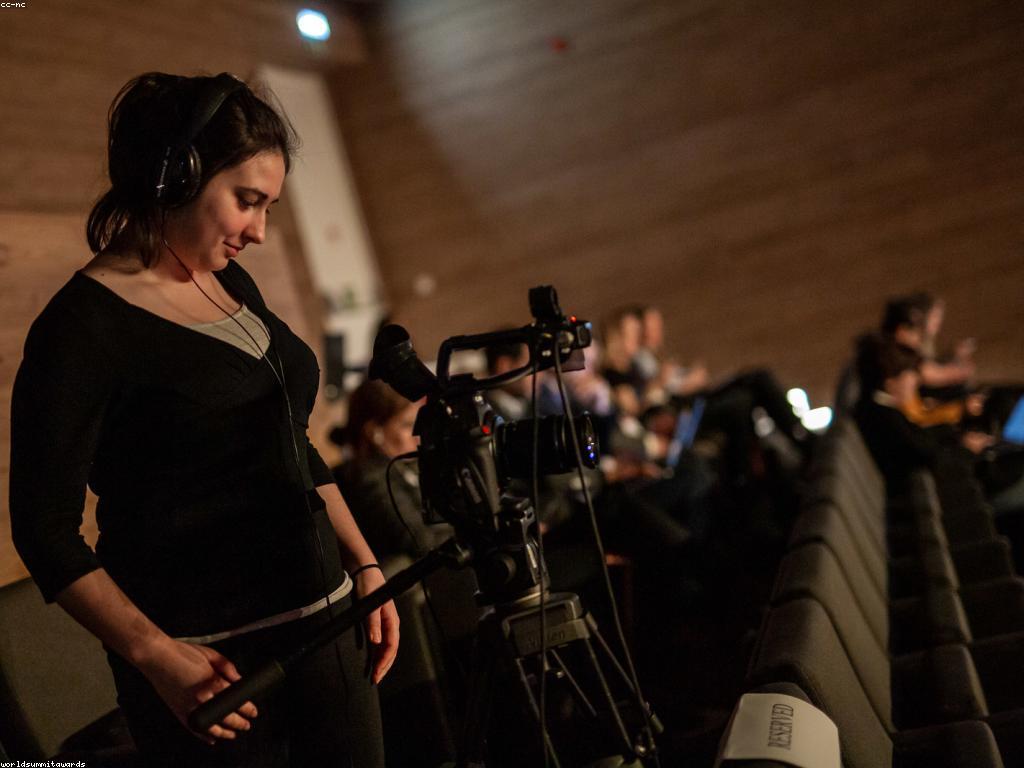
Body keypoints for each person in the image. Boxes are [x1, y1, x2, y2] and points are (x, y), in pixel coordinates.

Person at [8, 72, 397, 767]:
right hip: (211, 668)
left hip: (329, 622)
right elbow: (45, 532)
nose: (260, 231)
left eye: (269, 207)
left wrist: (363, 562)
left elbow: (289, 439)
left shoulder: (231, 282)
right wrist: (157, 656)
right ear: (176, 175)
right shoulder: (81, 329)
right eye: (247, 201)